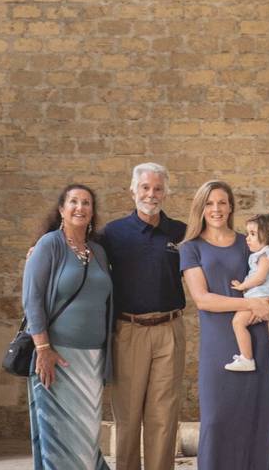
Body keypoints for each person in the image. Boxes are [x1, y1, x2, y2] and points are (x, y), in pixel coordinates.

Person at [179, 180, 269, 470]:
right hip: (217, 342)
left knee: (257, 417)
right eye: (210, 203)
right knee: (216, 418)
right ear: (201, 207)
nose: (216, 209)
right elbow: (203, 299)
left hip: (254, 339)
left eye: (222, 202)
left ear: (231, 206)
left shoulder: (247, 242)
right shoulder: (191, 247)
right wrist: (251, 304)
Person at [99, 163, 187, 470]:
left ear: (165, 192)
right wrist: (41, 248)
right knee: (128, 415)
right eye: (146, 188)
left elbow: (212, 257)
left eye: (158, 188)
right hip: (129, 331)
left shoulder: (180, 232)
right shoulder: (113, 233)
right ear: (133, 190)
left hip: (169, 329)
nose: (152, 194)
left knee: (163, 415)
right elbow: (78, 251)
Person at [21, 184, 113, 470]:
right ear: (61, 209)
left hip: (92, 359)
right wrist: (43, 348)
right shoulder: (49, 245)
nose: (80, 208)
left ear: (92, 212)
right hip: (55, 357)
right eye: (73, 202)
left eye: (86, 203)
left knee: (86, 440)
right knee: (58, 440)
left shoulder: (98, 251)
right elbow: (32, 298)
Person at [225, 213, 269, 372]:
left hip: (262, 297)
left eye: (253, 234)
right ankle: (246, 357)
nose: (247, 238)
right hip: (260, 297)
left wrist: (243, 286)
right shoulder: (262, 254)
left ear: (267, 235)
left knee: (238, 323)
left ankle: (247, 358)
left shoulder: (267, 254)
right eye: (247, 234)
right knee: (239, 322)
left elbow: (259, 278)